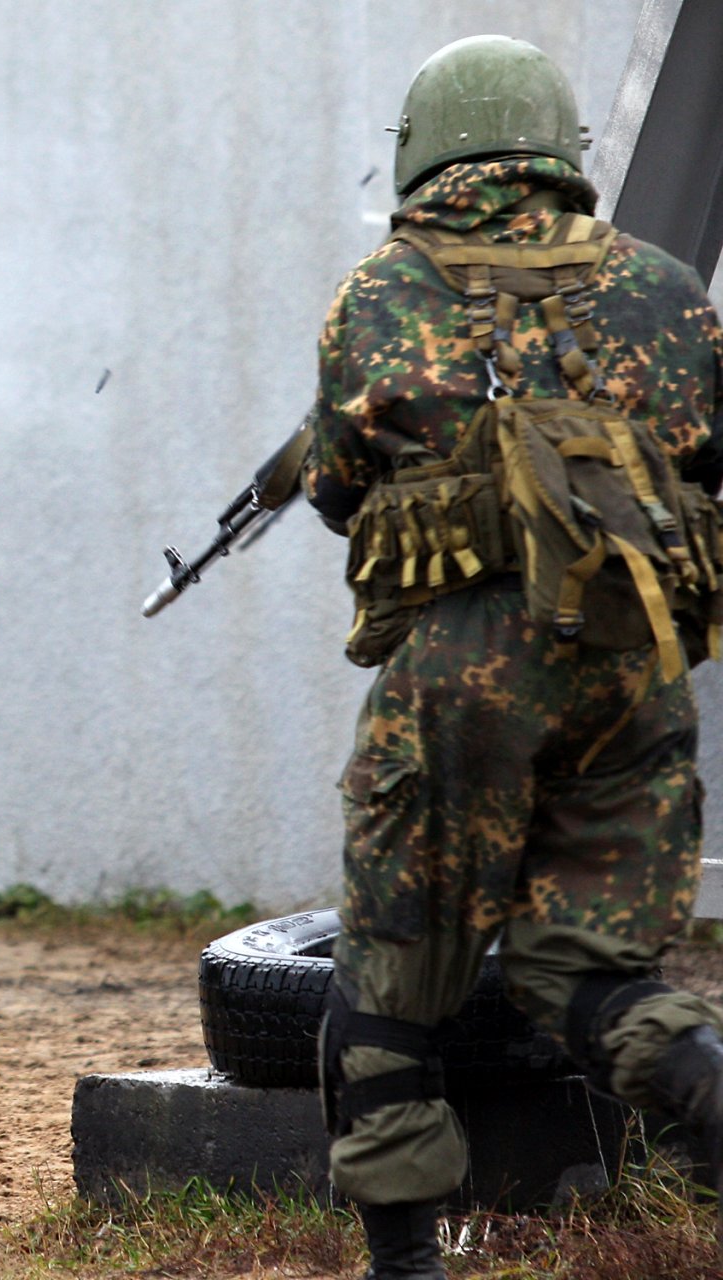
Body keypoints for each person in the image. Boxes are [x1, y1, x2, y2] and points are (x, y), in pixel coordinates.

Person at [303, 35, 723, 1278]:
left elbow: (337, 490)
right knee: (591, 961)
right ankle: (709, 1090)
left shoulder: (380, 291)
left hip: (462, 667)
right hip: (630, 658)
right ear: (562, 147)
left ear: (424, 143)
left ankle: (405, 1258)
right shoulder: (662, 287)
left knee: (394, 957)